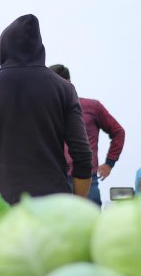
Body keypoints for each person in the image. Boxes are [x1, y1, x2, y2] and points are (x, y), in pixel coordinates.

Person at [0, 14, 93, 205]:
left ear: (2, 48)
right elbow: (82, 155)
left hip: (4, 212)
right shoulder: (63, 89)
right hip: (54, 209)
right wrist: (75, 207)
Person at [49, 64, 125, 206]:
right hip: (56, 181)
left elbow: (118, 132)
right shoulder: (46, 112)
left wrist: (109, 163)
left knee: (91, 225)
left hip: (88, 180)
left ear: (68, 83)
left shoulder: (92, 107)